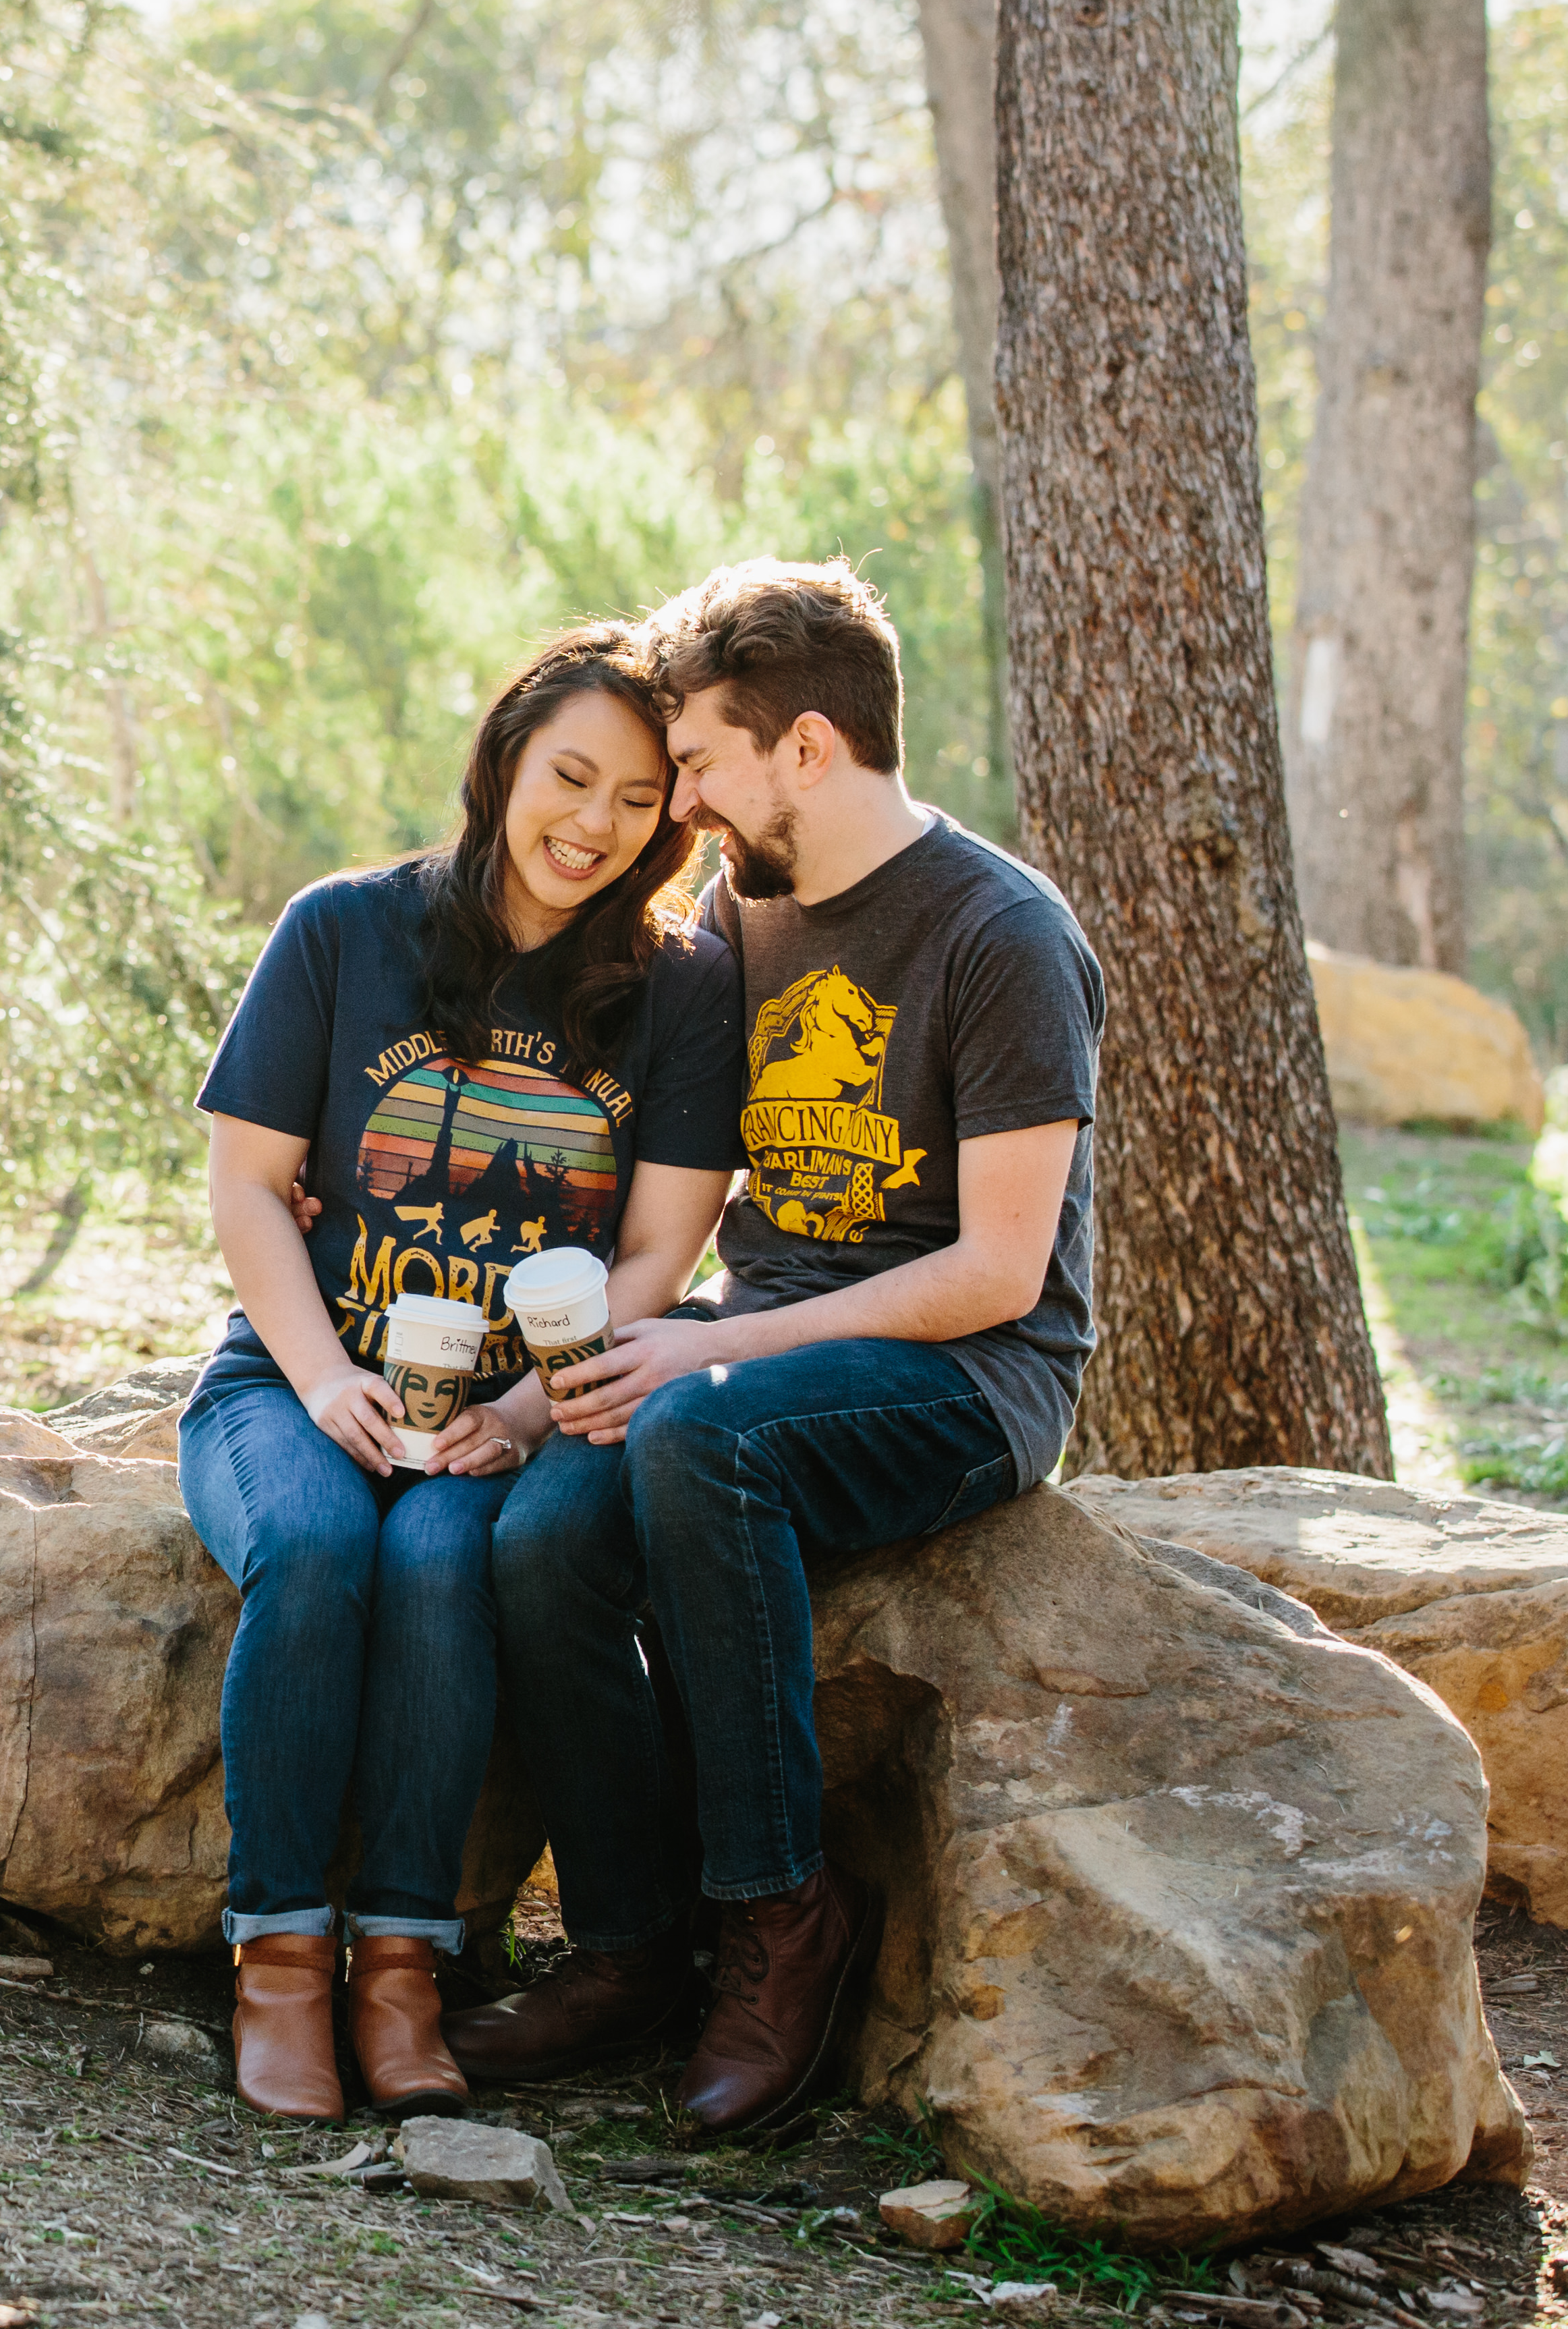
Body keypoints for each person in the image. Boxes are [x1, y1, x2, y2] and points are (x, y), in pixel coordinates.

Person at [448, 559, 1103, 2136]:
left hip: (967, 1377)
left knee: (699, 1431)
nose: (680, 805)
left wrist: (700, 1355)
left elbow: (1002, 1274)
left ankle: (778, 1913)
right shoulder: (747, 911)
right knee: (542, 1537)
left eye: (697, 765)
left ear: (807, 747)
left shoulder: (1001, 934)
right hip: (758, 1342)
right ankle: (627, 1946)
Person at [181, 623, 747, 2121]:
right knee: (311, 1546)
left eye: (639, 801)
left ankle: (404, 1972)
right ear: (504, 762)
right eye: (571, 776)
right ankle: (283, 1962)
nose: (597, 826)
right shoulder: (342, 931)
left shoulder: (681, 993)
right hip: (293, 1379)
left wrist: (517, 1411)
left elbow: (657, 1259)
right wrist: (316, 1382)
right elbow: (249, 1188)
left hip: (510, 1412)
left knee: (440, 1563)